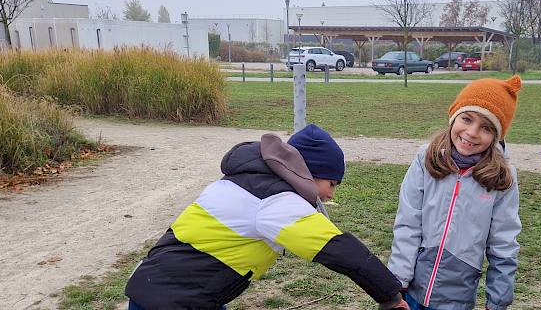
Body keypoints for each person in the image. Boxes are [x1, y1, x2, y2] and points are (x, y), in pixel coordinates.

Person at [125, 124, 408, 310]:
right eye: (332, 183)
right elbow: (341, 251)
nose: (331, 194)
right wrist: (391, 297)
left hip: (173, 289)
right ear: (308, 172)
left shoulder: (248, 180)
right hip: (171, 299)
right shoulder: (276, 201)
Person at [388, 77, 523, 310]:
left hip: (457, 299)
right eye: (467, 119)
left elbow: (503, 242)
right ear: (454, 116)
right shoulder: (425, 159)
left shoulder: (503, 178)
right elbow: (408, 223)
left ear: (497, 136)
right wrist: (396, 284)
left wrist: (498, 300)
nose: (471, 133)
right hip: (411, 292)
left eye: (486, 127)